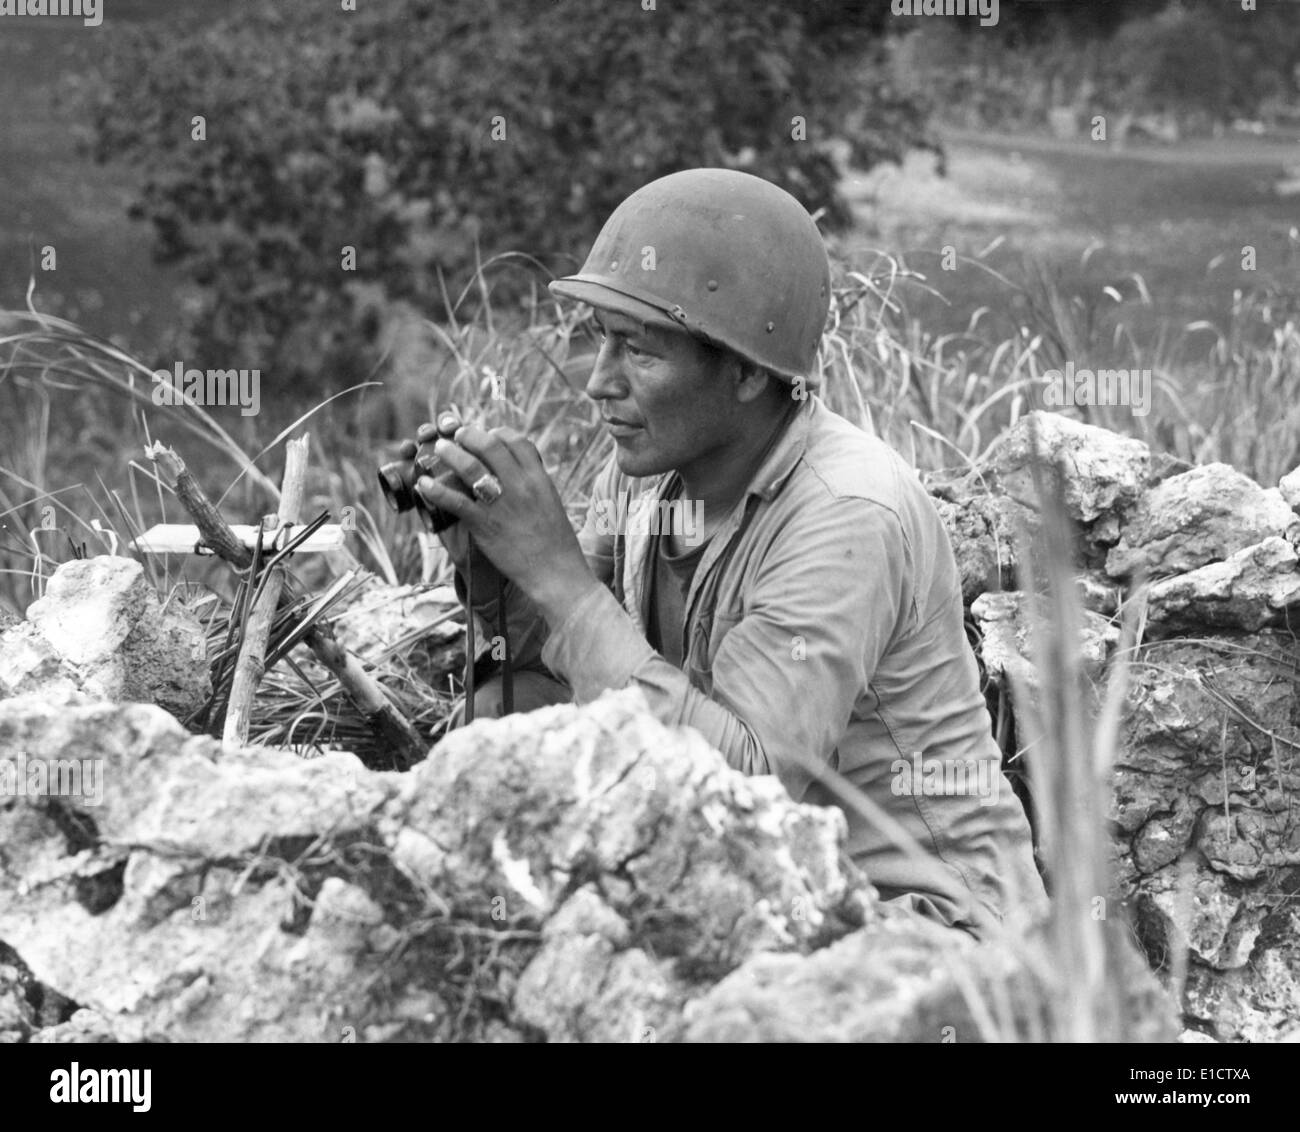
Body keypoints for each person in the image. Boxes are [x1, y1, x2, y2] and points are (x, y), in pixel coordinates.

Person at [413, 168, 1045, 936]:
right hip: (768, 887)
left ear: (747, 372)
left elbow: (746, 790)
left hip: (925, 924)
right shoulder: (653, 472)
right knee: (498, 721)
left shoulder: (846, 513)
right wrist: (493, 557)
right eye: (599, 343)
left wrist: (558, 572)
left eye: (639, 354)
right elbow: (574, 665)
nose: (599, 384)